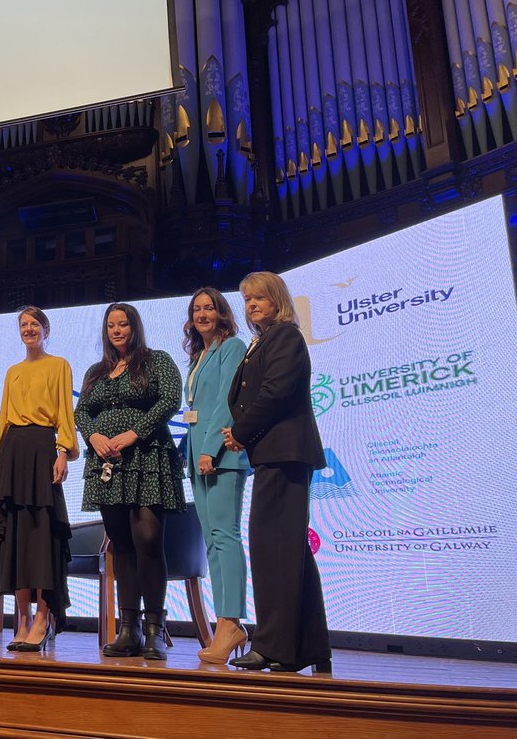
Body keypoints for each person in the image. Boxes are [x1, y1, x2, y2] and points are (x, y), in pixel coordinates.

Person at [223, 272, 331, 673]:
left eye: (259, 298)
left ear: (277, 300)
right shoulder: (261, 341)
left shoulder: (285, 336)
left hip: (286, 453)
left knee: (276, 551)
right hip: (272, 454)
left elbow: (275, 392)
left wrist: (240, 432)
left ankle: (274, 648)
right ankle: (309, 647)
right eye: (247, 299)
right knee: (287, 552)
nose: (251, 305)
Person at [75, 302, 185, 660]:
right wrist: (92, 436)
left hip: (147, 457)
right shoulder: (97, 370)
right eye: (111, 326)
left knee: (148, 539)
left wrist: (134, 432)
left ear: (135, 327)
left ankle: (155, 628)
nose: (117, 330)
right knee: (120, 545)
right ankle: (129, 628)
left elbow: (170, 399)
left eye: (123, 324)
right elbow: (81, 411)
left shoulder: (157, 360)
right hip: (107, 464)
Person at [0, 305, 77, 653]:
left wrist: (64, 451)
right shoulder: (13, 371)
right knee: (16, 537)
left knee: (40, 534)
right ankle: (20, 620)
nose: (28, 329)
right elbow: (5, 417)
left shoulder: (59, 365)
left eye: (34, 323)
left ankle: (43, 617)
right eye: (23, 324)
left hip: (41, 450)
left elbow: (65, 412)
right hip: (12, 452)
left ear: (46, 329)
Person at [182, 288, 249, 664]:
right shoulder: (199, 354)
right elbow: (196, 409)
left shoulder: (232, 347)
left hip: (222, 455)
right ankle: (223, 623)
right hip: (198, 457)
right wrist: (188, 452)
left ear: (221, 313)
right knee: (211, 540)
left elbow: (227, 400)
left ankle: (231, 622)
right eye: (197, 309)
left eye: (209, 307)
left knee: (225, 536)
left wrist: (209, 448)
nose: (203, 314)